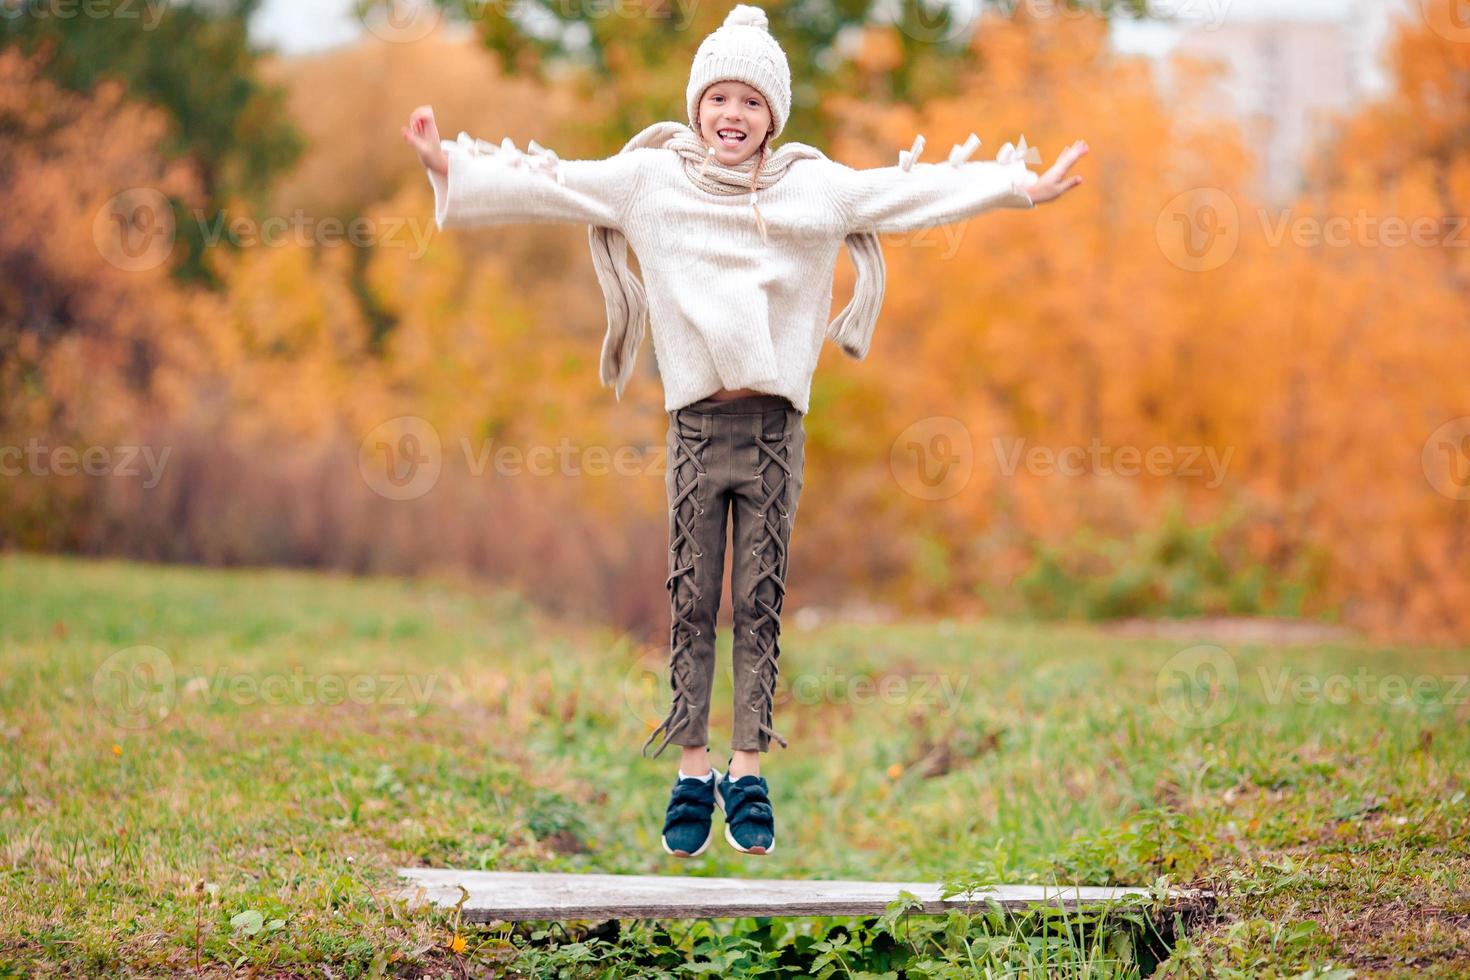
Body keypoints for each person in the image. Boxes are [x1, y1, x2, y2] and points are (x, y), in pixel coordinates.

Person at [402, 3, 1086, 859]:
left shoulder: (813, 190)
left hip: (772, 432)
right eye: (719, 97)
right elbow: (551, 184)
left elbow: (908, 194)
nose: (733, 114)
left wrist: (1018, 186)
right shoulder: (649, 182)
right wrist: (447, 164)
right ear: (697, 107)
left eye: (752, 102)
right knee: (692, 602)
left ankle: (748, 768)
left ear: (773, 116)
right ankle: (693, 768)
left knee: (757, 604)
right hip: (695, 425)